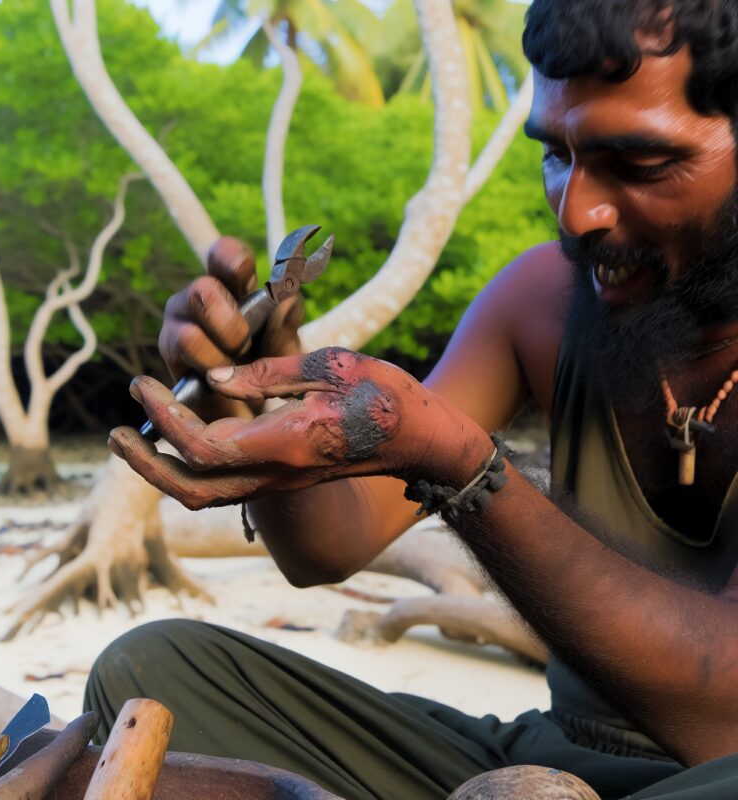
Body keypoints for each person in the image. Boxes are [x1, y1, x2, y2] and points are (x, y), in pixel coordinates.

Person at [93, 1, 738, 797]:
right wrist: (261, 380)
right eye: (557, 157)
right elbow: (330, 546)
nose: (577, 212)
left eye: (637, 163)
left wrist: (465, 469)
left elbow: (725, 717)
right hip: (551, 761)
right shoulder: (538, 300)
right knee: (153, 673)